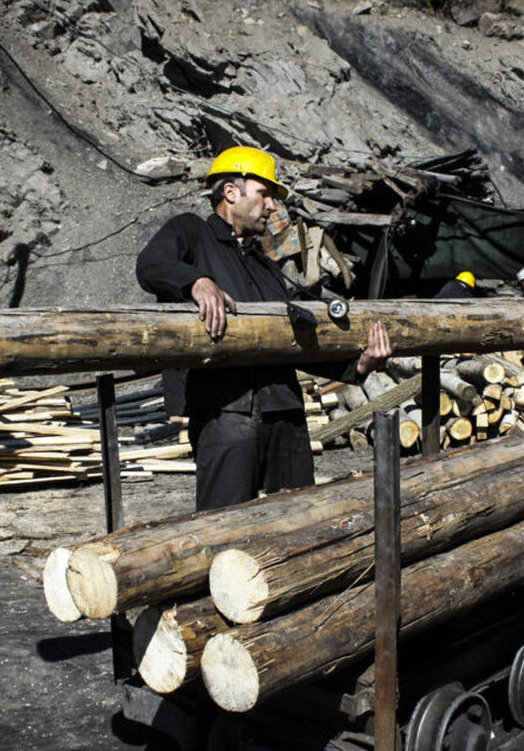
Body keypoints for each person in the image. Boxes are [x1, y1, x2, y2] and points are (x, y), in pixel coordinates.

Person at [136, 146, 392, 511]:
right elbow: (150, 264)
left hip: (284, 412)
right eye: (265, 194)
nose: (272, 206)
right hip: (225, 411)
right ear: (230, 192)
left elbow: (297, 341)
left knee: (294, 518)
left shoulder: (266, 266)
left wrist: (360, 365)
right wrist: (195, 281)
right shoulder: (190, 234)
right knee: (224, 522)